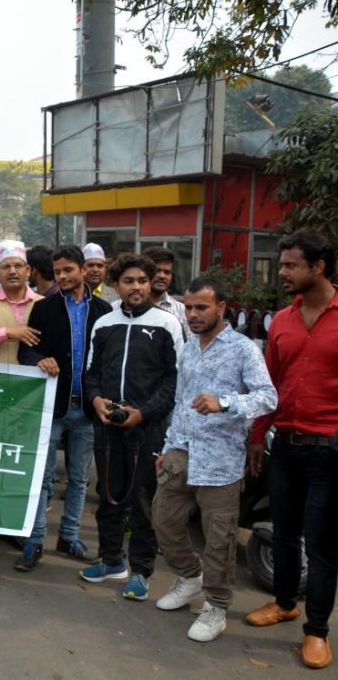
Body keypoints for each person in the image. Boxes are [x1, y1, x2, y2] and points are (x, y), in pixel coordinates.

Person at [152, 276, 276, 643]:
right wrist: (167, 447)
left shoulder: (243, 350)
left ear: (221, 308)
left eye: (201, 307)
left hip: (221, 462)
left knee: (218, 540)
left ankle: (216, 607)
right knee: (164, 521)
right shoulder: (189, 347)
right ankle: (190, 578)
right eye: (188, 307)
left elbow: (268, 397)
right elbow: (181, 400)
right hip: (181, 452)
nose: (192, 314)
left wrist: (225, 402)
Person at [246, 229, 338, 670]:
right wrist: (256, 436)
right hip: (285, 445)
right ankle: (284, 602)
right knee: (283, 533)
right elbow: (269, 386)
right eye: (281, 265)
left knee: (321, 545)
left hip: (331, 452)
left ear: (317, 267)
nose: (281, 272)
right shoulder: (281, 319)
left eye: (290, 265)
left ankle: (317, 632)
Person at [81, 253, 183, 601]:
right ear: (115, 284)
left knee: (142, 501)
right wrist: (96, 401)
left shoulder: (167, 323)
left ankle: (140, 571)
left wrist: (145, 413)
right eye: (128, 281)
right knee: (108, 494)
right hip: (107, 425)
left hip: (146, 429)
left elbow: (174, 381)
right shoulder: (103, 323)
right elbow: (90, 374)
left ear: (150, 282)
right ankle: (111, 560)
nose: (136, 287)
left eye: (142, 280)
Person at [14, 245, 112, 570]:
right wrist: (40, 358)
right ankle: (35, 540)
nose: (62, 277)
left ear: (84, 270)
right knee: (42, 479)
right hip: (53, 407)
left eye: (68, 270)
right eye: (57, 272)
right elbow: (25, 353)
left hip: (87, 408)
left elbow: (109, 360)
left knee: (80, 479)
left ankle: (69, 536)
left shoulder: (104, 311)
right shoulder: (43, 309)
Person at [142, 246, 191, 341]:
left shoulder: (182, 311)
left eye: (167, 272)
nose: (162, 276)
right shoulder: (120, 306)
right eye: (157, 270)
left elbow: (188, 349)